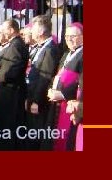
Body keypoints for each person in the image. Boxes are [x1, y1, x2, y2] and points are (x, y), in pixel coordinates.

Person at [0, 18, 29, 150]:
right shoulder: (13, 44)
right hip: (8, 92)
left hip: (11, 94)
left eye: (3, 30)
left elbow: (13, 71)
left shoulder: (16, 45)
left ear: (11, 30)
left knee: (7, 126)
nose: (1, 32)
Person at [45, 22, 83, 151]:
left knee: (67, 140)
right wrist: (51, 89)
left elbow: (80, 81)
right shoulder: (67, 53)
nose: (69, 39)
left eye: (73, 36)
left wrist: (63, 94)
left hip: (69, 103)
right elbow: (57, 75)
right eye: (66, 37)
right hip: (57, 101)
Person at [25, 15, 61, 150]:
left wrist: (35, 101)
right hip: (32, 97)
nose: (31, 31)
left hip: (39, 102)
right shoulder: (42, 47)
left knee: (35, 136)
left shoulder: (50, 49)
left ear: (40, 31)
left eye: (33, 29)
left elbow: (45, 78)